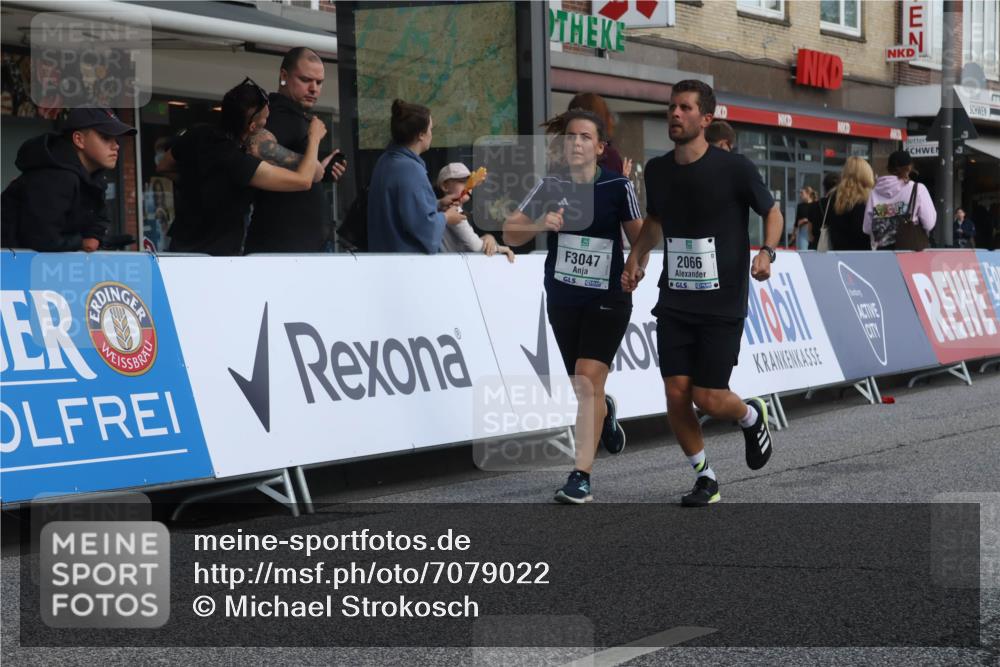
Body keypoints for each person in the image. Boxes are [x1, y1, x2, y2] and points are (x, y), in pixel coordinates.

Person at [622, 79, 783, 507]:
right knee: (676, 392)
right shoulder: (658, 170)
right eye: (672, 107)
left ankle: (750, 414)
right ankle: (705, 476)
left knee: (708, 397)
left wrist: (766, 252)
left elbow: (772, 212)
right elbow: (655, 222)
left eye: (686, 108)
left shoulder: (734, 168)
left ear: (706, 118)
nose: (675, 114)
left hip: (722, 300)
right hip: (675, 298)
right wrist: (636, 256)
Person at [503, 109, 646, 504]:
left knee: (586, 379)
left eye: (585, 137)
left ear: (600, 148)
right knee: (584, 387)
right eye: (571, 137)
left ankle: (581, 476)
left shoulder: (617, 186)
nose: (577, 143)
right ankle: (605, 411)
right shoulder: (550, 185)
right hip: (564, 297)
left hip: (608, 297)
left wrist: (636, 267)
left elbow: (641, 239)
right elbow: (510, 232)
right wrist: (540, 224)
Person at [161, 77, 326, 255]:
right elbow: (303, 181)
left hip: (179, 247)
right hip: (216, 255)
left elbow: (163, 166)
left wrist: (197, 183)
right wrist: (314, 138)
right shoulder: (239, 162)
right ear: (253, 127)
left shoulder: (197, 133)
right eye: (266, 119)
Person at [244, 47, 346, 254]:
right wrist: (310, 164)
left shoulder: (295, 114)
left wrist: (319, 169)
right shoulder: (276, 111)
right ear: (284, 76)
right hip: (282, 246)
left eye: (319, 82)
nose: (314, 89)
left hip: (303, 245)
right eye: (305, 80)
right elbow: (257, 146)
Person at [1, 107, 135, 252]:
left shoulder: (94, 177)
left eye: (116, 139)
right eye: (106, 137)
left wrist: (95, 238)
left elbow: (98, 221)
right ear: (79, 139)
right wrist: (81, 243)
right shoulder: (55, 176)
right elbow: (42, 239)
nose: (116, 146)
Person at [367, 99, 467, 253]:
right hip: (407, 260)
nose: (431, 134)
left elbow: (403, 210)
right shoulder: (411, 170)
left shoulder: (386, 160)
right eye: (430, 129)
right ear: (421, 135)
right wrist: (446, 217)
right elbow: (424, 228)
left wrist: (438, 204)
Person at [436, 163, 514, 262]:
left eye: (471, 181)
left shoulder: (451, 209)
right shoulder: (452, 209)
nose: (469, 186)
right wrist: (500, 248)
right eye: (462, 181)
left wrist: (488, 237)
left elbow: (470, 240)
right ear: (445, 186)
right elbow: (475, 246)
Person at [863, 150, 936, 250]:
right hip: (909, 250)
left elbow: (867, 228)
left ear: (888, 168)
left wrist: (887, 213)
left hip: (882, 253)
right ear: (909, 167)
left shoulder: (874, 192)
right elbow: (929, 224)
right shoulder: (918, 189)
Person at [823, 157, 875, 251]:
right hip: (863, 253)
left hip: (838, 252)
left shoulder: (833, 196)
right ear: (866, 174)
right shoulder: (867, 198)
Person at [807, 172, 840, 250]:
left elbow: (810, 234)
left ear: (824, 187)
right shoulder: (842, 206)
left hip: (817, 247)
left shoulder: (814, 205)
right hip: (837, 249)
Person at [793, 186, 818, 250]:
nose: (800, 195)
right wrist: (794, 233)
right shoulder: (800, 206)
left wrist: (806, 220)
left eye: (802, 193)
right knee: (803, 250)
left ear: (808, 194)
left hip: (814, 231)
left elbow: (817, 218)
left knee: (814, 250)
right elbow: (797, 221)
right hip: (803, 232)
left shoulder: (816, 205)